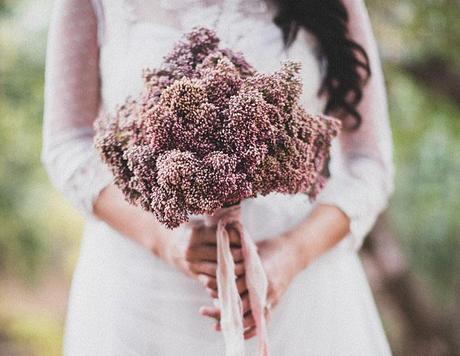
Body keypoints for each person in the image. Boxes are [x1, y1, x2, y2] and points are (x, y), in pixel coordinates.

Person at [41, 0, 395, 354]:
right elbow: (67, 145)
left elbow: (369, 163)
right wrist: (168, 242)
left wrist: (292, 253)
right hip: (144, 296)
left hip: (303, 292)